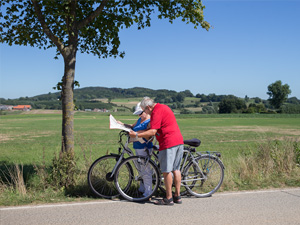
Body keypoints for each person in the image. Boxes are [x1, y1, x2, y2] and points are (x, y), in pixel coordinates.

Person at [129, 97, 184, 205]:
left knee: (166, 171)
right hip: (178, 141)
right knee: (176, 169)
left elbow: (153, 131)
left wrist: (136, 135)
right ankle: (177, 196)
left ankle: (168, 198)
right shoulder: (163, 107)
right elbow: (153, 127)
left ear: (148, 107)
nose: (144, 112)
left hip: (168, 143)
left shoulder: (156, 112)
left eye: (144, 110)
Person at [118, 102, 153, 198]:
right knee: (141, 169)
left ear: (145, 111)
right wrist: (123, 125)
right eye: (138, 114)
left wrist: (137, 133)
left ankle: (148, 193)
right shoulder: (140, 119)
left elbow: (150, 134)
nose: (139, 115)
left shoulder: (149, 121)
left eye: (141, 113)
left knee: (145, 171)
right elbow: (133, 127)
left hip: (144, 147)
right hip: (137, 147)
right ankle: (142, 189)